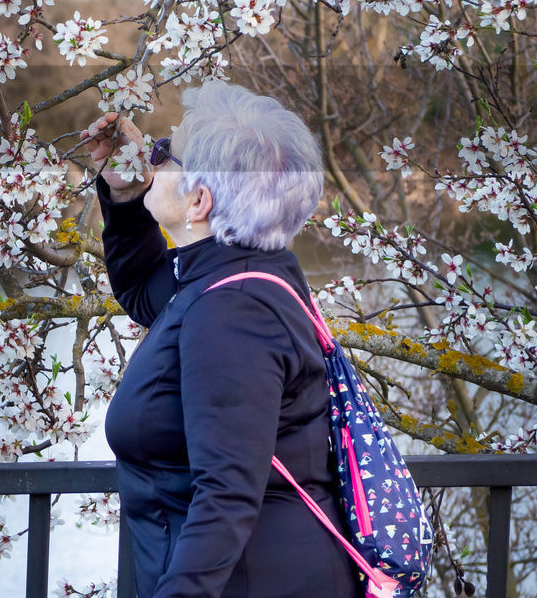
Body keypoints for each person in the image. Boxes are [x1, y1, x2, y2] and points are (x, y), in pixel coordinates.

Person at [79, 82, 362, 598]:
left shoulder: (235, 313)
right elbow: (146, 294)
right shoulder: (242, 275)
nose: (150, 156)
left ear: (200, 198)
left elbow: (227, 494)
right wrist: (124, 195)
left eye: (164, 152)